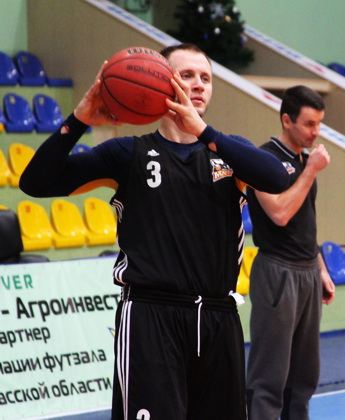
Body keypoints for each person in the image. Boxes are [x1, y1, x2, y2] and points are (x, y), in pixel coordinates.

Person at [19, 43, 289, 420]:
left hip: (218, 316)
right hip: (150, 316)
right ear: (162, 82)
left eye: (206, 78)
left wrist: (204, 132)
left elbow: (277, 179)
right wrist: (79, 120)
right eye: (187, 75)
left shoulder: (229, 153)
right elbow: (35, 182)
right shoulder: (126, 154)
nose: (199, 84)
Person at [245, 85, 336, 420]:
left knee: (303, 378)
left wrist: (321, 268)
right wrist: (311, 171)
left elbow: (305, 222)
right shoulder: (262, 159)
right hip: (277, 271)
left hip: (307, 272)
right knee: (269, 376)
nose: (316, 132)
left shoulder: (304, 159)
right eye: (309, 124)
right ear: (287, 120)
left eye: (319, 124)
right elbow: (280, 214)